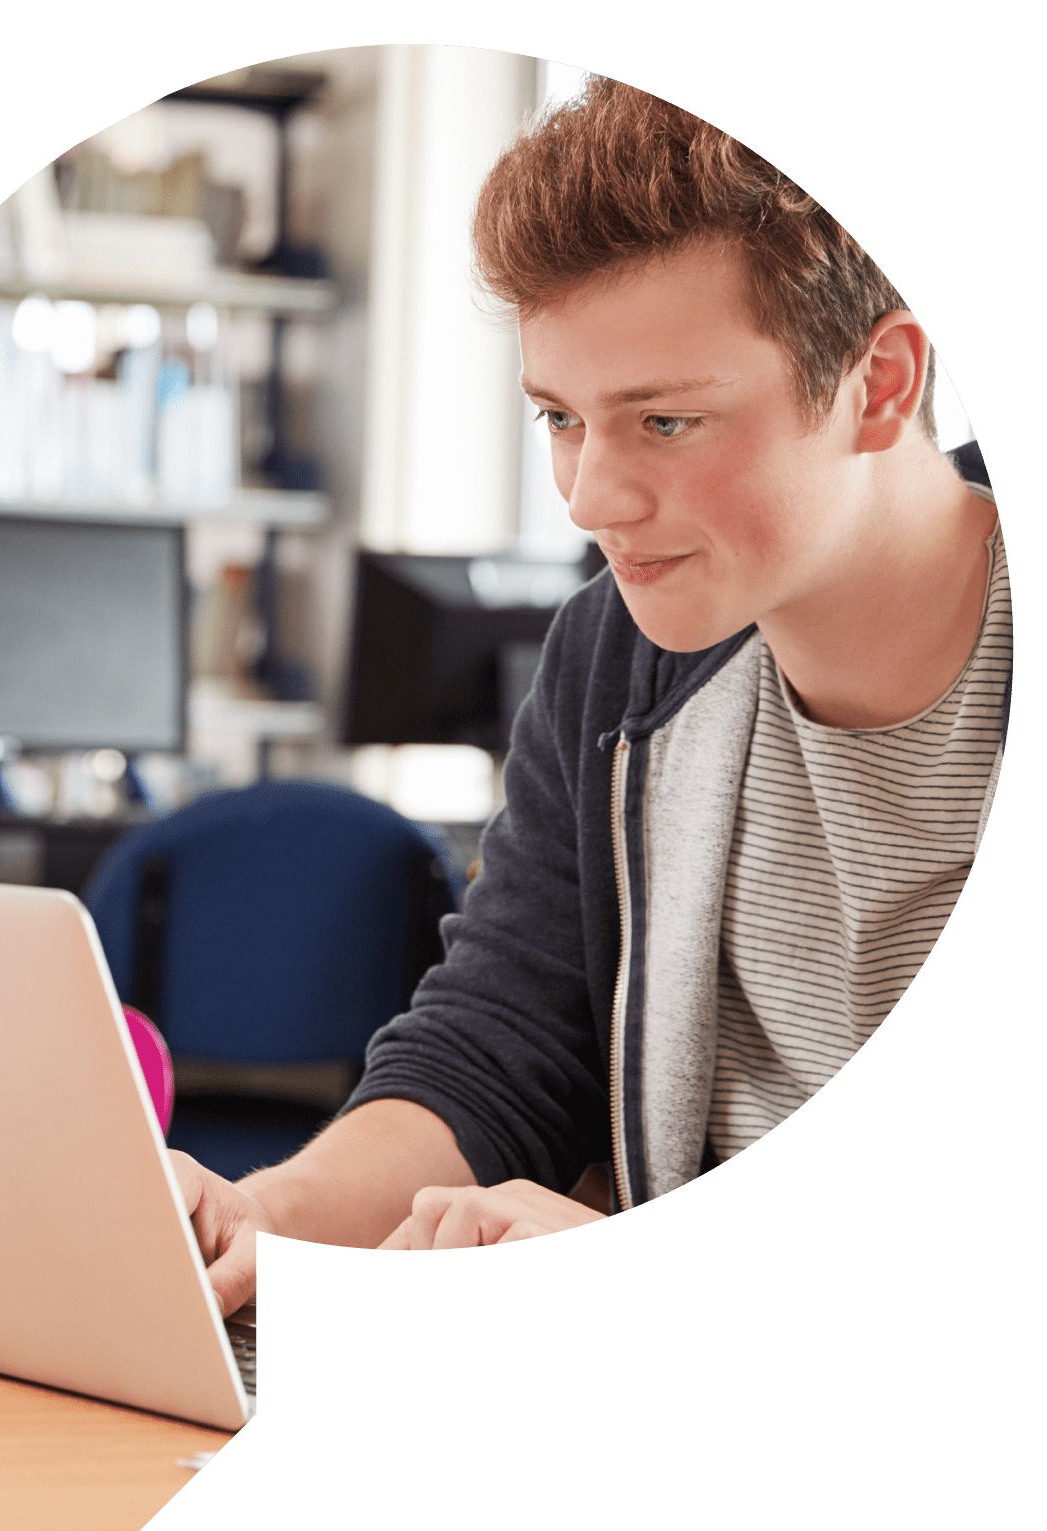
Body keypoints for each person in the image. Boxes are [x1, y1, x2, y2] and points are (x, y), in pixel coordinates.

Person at [168, 78, 1010, 1316]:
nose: (588, 496)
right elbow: (493, 1051)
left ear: (879, 385)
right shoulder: (613, 662)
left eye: (664, 422)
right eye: (558, 419)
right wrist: (268, 1219)